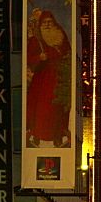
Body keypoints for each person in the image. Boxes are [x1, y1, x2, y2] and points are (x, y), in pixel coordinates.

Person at [25, 8, 73, 147]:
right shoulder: (36, 39)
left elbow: (68, 54)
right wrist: (39, 58)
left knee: (58, 109)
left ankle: (58, 135)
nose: (47, 24)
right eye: (44, 22)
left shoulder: (61, 36)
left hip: (59, 78)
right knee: (43, 109)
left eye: (49, 22)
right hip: (43, 79)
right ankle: (37, 135)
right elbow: (28, 57)